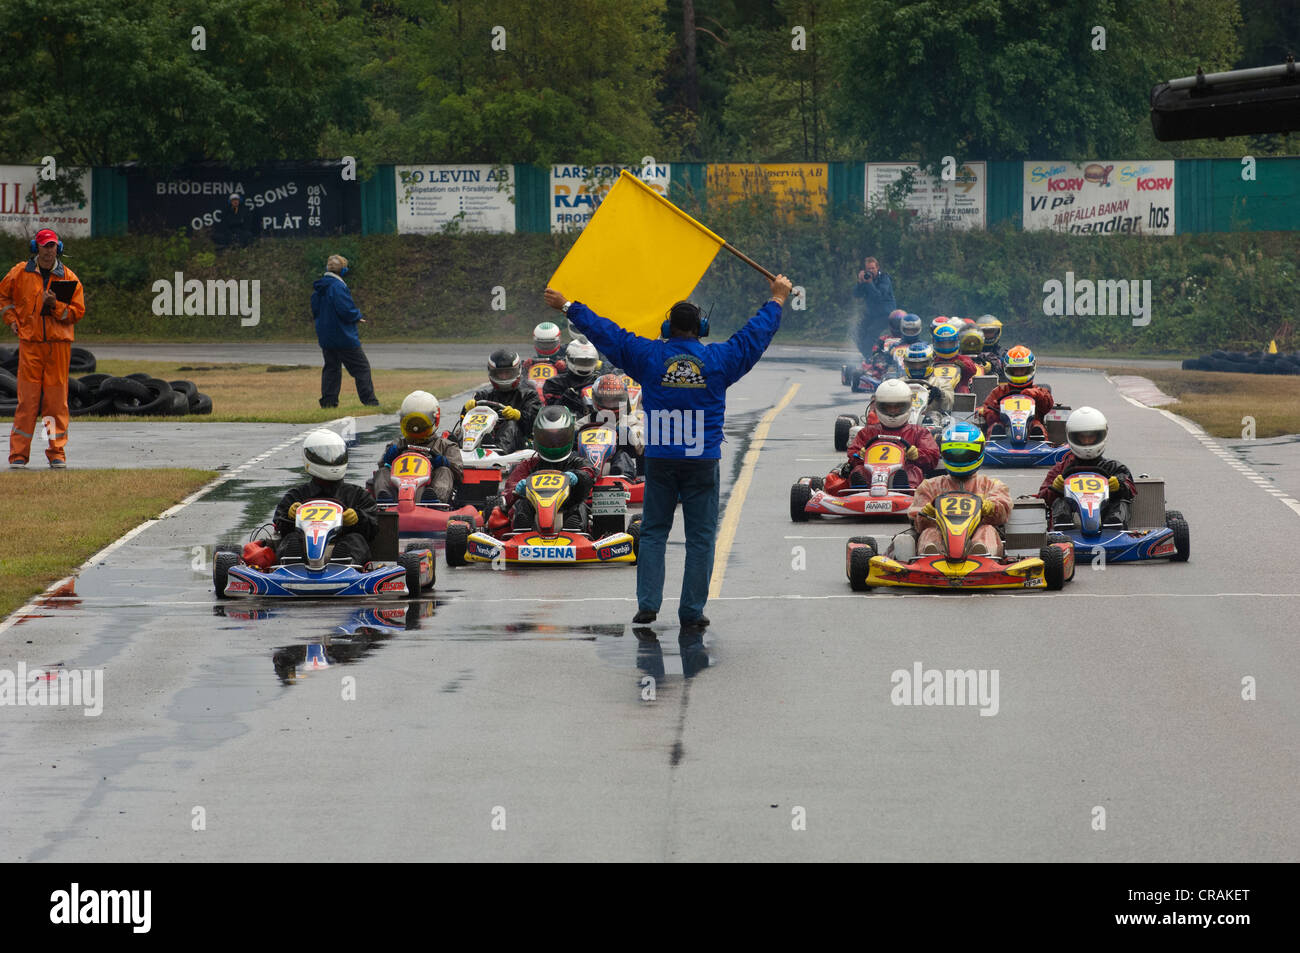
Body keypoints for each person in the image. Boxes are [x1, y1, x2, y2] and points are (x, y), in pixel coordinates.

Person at [544, 273, 793, 630]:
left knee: (655, 532)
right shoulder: (719, 359)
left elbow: (607, 334)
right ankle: (691, 611)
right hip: (702, 461)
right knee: (701, 538)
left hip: (660, 460)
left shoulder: (649, 356)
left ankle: (648, 605)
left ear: (666, 327)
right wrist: (777, 300)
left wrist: (569, 306)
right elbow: (753, 337)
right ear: (702, 329)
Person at [1, 229, 86, 469]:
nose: (48, 251)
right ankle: (18, 455)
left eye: (51, 246)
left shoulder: (69, 278)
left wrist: (56, 305)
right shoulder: (19, 273)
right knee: (26, 402)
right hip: (30, 346)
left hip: (58, 347)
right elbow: (3, 296)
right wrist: (11, 320)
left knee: (55, 403)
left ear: (57, 248)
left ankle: (56, 451)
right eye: (44, 246)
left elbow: (77, 313)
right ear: (35, 248)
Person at [895, 422, 1011, 558]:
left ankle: (982, 553)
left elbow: (1002, 512)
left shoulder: (991, 485)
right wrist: (928, 511)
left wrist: (987, 507)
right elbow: (917, 523)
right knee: (929, 532)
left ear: (980, 451)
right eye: (953, 453)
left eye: (966, 454)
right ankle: (931, 556)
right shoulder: (930, 486)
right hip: (942, 541)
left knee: (987, 530)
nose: (959, 458)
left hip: (977, 543)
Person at [272, 429, 379, 564]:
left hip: (341, 548)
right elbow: (280, 526)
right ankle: (292, 564)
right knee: (291, 539)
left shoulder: (358, 495)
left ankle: (343, 564)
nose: (332, 461)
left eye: (335, 457)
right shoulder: (296, 495)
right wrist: (289, 516)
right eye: (326, 457)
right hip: (304, 551)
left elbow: (373, 528)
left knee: (355, 540)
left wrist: (358, 518)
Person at [824, 378, 939, 495]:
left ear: (908, 406)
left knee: (913, 471)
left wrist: (917, 454)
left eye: (898, 407)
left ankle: (904, 489)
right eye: (888, 407)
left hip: (903, 476)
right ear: (879, 407)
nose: (893, 411)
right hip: (871, 475)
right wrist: (860, 455)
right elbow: (853, 453)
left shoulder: (919, 432)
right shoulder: (867, 432)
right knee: (859, 471)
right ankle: (859, 490)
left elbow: (933, 456)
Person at [491, 406, 598, 532]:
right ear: (537, 436)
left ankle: (575, 533)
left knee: (579, 506)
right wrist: (517, 490)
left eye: (559, 438)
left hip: (568, 508)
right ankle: (521, 533)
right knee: (521, 505)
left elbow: (589, 473)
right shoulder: (529, 464)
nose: (553, 443)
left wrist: (577, 476)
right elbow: (508, 492)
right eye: (547, 438)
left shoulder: (577, 462)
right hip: (535, 516)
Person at [1037, 407, 1136, 528]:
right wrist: (1054, 490)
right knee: (1060, 502)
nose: (1087, 441)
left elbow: (1131, 489)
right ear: (1072, 437)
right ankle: (1063, 529)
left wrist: (1119, 486)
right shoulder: (1061, 469)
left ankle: (1114, 529)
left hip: (1106, 521)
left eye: (1091, 437)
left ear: (1101, 435)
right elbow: (1042, 499)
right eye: (1082, 437)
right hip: (1072, 527)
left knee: (1121, 502)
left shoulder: (1114, 467)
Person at [312, 254, 378, 409]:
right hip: (343, 336)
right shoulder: (338, 287)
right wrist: (357, 316)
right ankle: (370, 402)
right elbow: (346, 309)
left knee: (332, 368)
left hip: (326, 336)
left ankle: (328, 402)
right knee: (361, 368)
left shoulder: (319, 287)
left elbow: (315, 311)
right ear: (343, 271)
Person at [374, 390, 463, 504]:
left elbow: (459, 474)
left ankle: (435, 499)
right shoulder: (397, 444)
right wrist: (388, 459)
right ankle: (385, 500)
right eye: (412, 425)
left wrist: (445, 463)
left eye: (421, 425)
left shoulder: (446, 445)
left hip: (429, 487)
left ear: (434, 420)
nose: (416, 429)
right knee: (383, 471)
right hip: (398, 489)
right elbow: (381, 465)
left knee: (444, 471)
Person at [462, 348, 542, 453]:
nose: (504, 377)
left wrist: (518, 416)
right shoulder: (483, 396)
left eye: (508, 373)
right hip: (484, 441)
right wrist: (466, 410)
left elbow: (534, 425)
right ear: (492, 373)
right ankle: (461, 453)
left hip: (519, 445)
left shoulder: (529, 395)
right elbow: (463, 422)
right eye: (500, 373)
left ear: (517, 371)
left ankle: (498, 453)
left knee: (510, 425)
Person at [975, 345, 1054, 435]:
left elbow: (1048, 405)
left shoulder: (1037, 390)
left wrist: (1036, 395)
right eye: (1015, 370)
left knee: (1037, 425)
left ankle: (1039, 440)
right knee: (995, 427)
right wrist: (997, 411)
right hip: (1005, 430)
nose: (1019, 373)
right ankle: (994, 443)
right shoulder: (999, 392)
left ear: (1031, 368)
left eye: (1022, 370)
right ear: (1008, 369)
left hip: (1030, 433)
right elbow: (986, 410)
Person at [586, 373, 643, 477]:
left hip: (625, 472)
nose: (611, 404)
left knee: (623, 455)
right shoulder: (586, 421)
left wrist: (627, 434)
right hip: (589, 468)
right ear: (596, 399)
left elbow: (642, 444)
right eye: (607, 400)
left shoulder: (631, 421)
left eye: (616, 400)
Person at [542, 339, 601, 418]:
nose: (584, 365)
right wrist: (566, 398)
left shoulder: (599, 381)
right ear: (569, 359)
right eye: (581, 361)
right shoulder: (554, 383)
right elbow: (551, 414)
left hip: (599, 423)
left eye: (588, 361)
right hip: (566, 425)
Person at [852, 256, 896, 362]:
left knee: (871, 333)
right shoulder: (866, 280)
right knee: (857, 333)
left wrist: (870, 283)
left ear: (877, 268)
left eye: (873, 268)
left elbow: (878, 296)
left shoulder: (884, 279)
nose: (871, 271)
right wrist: (860, 282)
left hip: (886, 314)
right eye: (868, 269)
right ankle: (869, 355)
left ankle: (869, 358)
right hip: (872, 314)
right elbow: (857, 294)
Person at [931, 324, 979, 393]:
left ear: (956, 342)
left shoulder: (962, 358)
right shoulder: (933, 360)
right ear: (935, 343)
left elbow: (973, 370)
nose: (946, 346)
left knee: (963, 388)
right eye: (942, 343)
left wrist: (963, 366)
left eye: (950, 343)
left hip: (958, 391)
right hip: (935, 390)